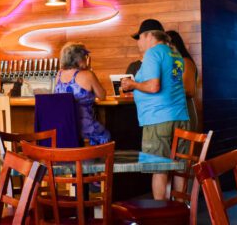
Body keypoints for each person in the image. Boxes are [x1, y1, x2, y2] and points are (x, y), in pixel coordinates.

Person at [121, 19, 189, 200]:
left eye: (139, 37)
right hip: (180, 116)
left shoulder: (152, 54)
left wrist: (131, 84)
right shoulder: (175, 54)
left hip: (158, 119)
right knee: (179, 167)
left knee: (159, 169)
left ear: (149, 35)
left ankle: (160, 214)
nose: (138, 42)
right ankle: (180, 211)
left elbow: (153, 87)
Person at [55, 42, 111, 145]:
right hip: (85, 127)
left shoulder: (59, 74)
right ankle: (95, 159)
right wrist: (89, 71)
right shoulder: (87, 75)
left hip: (64, 127)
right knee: (105, 135)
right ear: (79, 59)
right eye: (85, 56)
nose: (86, 58)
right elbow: (102, 96)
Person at [166, 30, 199, 131]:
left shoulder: (185, 61)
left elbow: (189, 91)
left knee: (183, 146)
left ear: (171, 45)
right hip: (174, 113)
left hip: (184, 113)